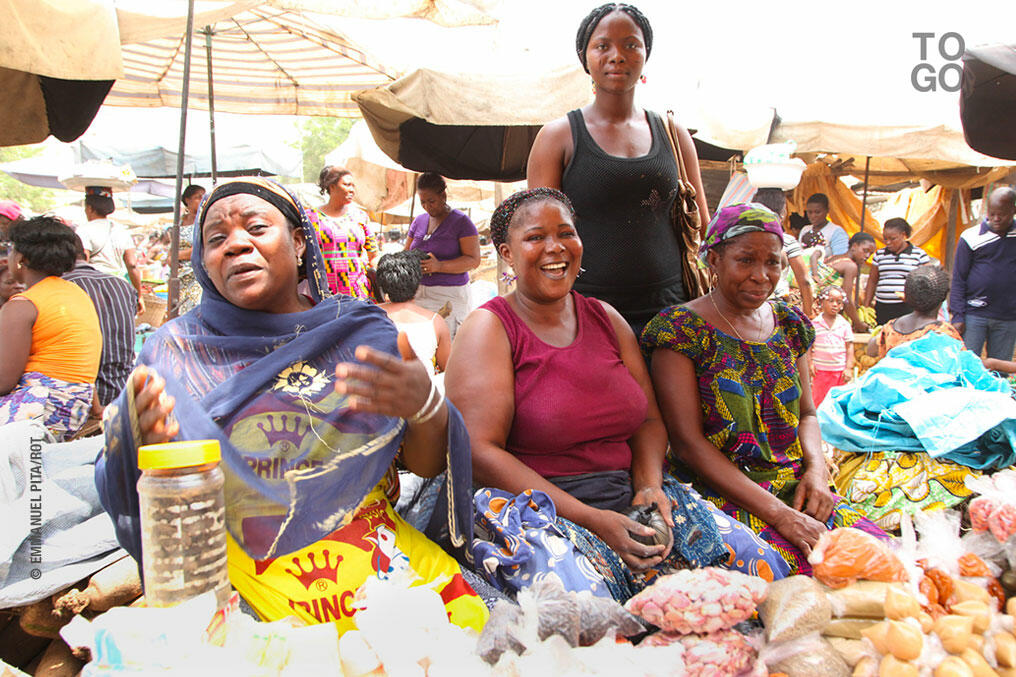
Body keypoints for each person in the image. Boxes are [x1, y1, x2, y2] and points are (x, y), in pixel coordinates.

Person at [94, 178, 487, 634]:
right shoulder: (176, 351)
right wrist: (142, 440)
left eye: (256, 228)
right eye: (216, 239)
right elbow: (144, 493)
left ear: (299, 241)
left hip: (372, 550)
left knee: (454, 635)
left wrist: (424, 406)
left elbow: (422, 465)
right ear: (203, 262)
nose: (236, 245)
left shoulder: (360, 333)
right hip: (243, 571)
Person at [447, 189, 792, 603]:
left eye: (565, 233)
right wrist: (592, 520)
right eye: (535, 237)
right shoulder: (490, 328)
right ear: (507, 253)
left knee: (763, 575)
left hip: (626, 490)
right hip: (535, 506)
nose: (554, 248)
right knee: (591, 617)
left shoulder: (605, 318)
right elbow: (480, 451)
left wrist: (648, 485)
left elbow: (648, 419)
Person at [642, 203, 886, 574]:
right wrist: (780, 516)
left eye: (772, 262)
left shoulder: (789, 324)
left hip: (795, 486)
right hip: (718, 493)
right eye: (745, 260)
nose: (761, 275)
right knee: (790, 578)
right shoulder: (680, 330)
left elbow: (807, 413)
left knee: (877, 561)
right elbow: (688, 444)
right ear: (714, 260)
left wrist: (817, 473)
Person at [526, 3, 710, 336]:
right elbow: (537, 237)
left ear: (645, 54)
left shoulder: (673, 134)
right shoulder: (558, 138)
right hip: (588, 312)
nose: (617, 55)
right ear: (586, 57)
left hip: (672, 310)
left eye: (630, 44)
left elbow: (704, 228)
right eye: (603, 46)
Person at [0, 217, 101, 440]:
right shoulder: (76, 293)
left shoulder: (23, 305)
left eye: (11, 250)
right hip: (75, 409)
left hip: (42, 409)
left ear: (21, 259)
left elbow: (4, 381)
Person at [64, 234, 137, 411]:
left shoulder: (62, 288)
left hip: (88, 401)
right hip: (123, 392)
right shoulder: (123, 285)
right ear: (85, 256)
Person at [405, 173, 480, 337]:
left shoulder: (461, 222)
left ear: (443, 195)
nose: (427, 206)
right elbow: (406, 253)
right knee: (424, 345)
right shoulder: (419, 221)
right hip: (418, 294)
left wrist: (439, 266)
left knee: (449, 345)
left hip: (449, 297)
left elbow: (473, 260)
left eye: (431, 201)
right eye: (422, 202)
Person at [950, 187, 1016, 360]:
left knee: (1000, 370)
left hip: (1008, 317)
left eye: (1001, 214)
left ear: (1013, 211)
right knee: (967, 366)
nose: (995, 218)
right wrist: (958, 315)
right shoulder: (970, 237)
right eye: (992, 213)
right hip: (974, 314)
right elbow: (958, 279)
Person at [375, 250, 451, 376]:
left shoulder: (369, 313)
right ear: (417, 282)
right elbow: (448, 369)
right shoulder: (435, 322)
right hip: (422, 391)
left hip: (379, 389)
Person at [308, 166, 378, 299]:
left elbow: (373, 254)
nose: (352, 189)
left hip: (358, 294)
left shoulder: (361, 216)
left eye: (353, 185)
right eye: (346, 184)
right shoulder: (311, 218)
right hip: (324, 294)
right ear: (331, 186)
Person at [867, 266, 962, 359]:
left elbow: (871, 350)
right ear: (943, 297)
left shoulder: (892, 327)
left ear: (906, 296)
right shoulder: (944, 332)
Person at [75, 186, 144, 315]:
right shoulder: (121, 230)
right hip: (119, 288)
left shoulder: (83, 230)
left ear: (89, 208)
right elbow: (132, 265)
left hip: (94, 289)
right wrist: (139, 295)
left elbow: (83, 261)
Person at [754, 188, 814, 317]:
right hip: (777, 305)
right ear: (784, 213)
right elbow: (804, 281)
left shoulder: (742, 240)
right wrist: (808, 316)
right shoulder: (787, 241)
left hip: (748, 305)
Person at [863, 217, 932, 326]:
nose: (888, 242)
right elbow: (872, 280)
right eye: (885, 239)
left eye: (893, 238)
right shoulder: (879, 255)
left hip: (906, 307)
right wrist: (866, 306)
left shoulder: (918, 254)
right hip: (882, 306)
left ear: (903, 235)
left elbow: (928, 280)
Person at [809, 232, 877, 332]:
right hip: (818, 312)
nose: (867, 256)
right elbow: (846, 300)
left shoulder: (834, 257)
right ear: (854, 246)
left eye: (870, 254)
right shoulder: (851, 266)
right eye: (865, 250)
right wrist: (859, 324)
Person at [809, 286, 854, 406]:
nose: (835, 305)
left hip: (839, 371)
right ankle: (819, 423)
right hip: (820, 371)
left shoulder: (844, 324)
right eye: (831, 301)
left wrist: (848, 368)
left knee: (838, 401)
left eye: (839, 302)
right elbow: (809, 346)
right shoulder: (815, 324)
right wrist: (810, 363)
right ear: (821, 302)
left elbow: (849, 347)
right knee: (819, 399)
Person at [175, 183, 207, 314]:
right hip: (179, 275)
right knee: (178, 308)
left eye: (203, 196)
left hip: (196, 274)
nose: (202, 199)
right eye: (198, 197)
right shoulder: (179, 222)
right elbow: (172, 248)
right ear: (187, 200)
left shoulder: (203, 221)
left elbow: (200, 248)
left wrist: (176, 256)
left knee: (196, 307)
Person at [798, 193, 849, 257]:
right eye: (809, 212)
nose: (813, 216)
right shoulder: (805, 230)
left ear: (827, 210)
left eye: (817, 212)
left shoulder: (836, 232)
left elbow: (840, 258)